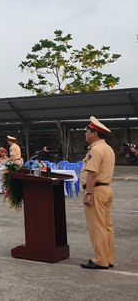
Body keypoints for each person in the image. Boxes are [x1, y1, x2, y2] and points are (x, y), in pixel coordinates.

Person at [80, 116, 115, 270]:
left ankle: (100, 259)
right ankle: (108, 258)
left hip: (96, 190)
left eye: (87, 131)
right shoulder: (107, 148)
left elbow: (92, 173)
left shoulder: (96, 150)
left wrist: (88, 193)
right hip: (106, 189)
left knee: (97, 227)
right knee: (107, 226)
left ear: (95, 133)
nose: (85, 134)